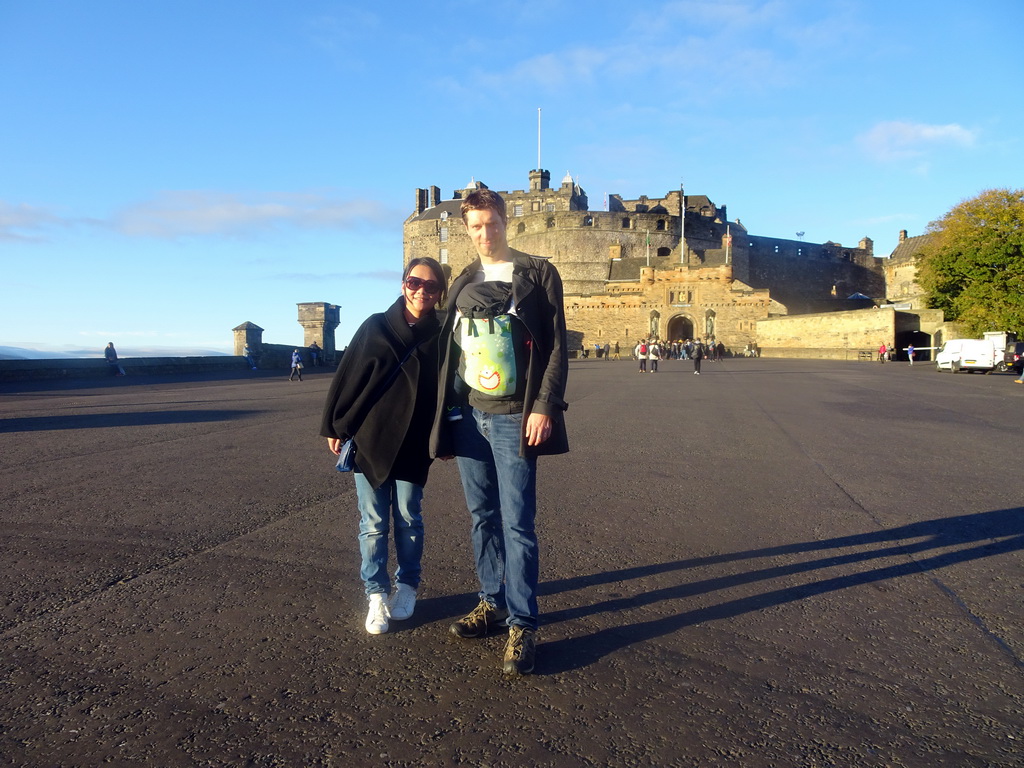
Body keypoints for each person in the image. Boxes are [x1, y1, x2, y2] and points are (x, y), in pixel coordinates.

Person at [430, 187, 569, 676]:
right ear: (465, 230)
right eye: (474, 227)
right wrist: (443, 422)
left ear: (506, 221)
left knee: (517, 522)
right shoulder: (463, 279)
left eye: (490, 224)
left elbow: (555, 347)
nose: (483, 234)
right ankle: (491, 602)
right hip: (468, 416)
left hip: (515, 415)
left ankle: (523, 623)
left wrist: (544, 405)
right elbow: (450, 354)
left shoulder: (537, 273)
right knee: (481, 515)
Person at [320, 257, 445, 635]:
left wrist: (447, 435)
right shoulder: (376, 325)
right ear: (403, 283)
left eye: (431, 286)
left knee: (409, 518)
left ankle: (406, 587)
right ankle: (376, 594)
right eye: (414, 282)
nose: (421, 291)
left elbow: (451, 388)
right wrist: (334, 424)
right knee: (373, 523)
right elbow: (348, 374)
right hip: (372, 436)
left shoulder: (444, 332)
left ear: (440, 292)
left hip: (415, 439)